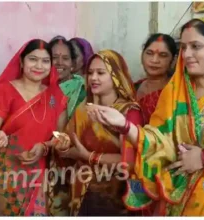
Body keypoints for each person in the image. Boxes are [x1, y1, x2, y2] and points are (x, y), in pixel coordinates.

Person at [91, 17, 204, 216]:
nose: (187, 54)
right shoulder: (174, 94)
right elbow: (158, 141)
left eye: (196, 46)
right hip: (176, 200)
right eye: (183, 47)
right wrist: (124, 125)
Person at [0, 39, 68, 216]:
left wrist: (45, 146)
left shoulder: (55, 96)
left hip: (43, 178)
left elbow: (61, 136)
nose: (39, 65)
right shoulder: (5, 90)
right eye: (33, 59)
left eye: (45, 61)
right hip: (9, 177)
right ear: (22, 62)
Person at [48, 49, 144, 216]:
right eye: (90, 73)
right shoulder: (83, 110)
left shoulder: (128, 112)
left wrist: (88, 156)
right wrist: (62, 147)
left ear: (115, 76)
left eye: (101, 73)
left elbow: (129, 162)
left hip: (115, 195)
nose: (93, 78)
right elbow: (67, 147)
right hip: (82, 191)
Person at [135, 34, 177, 124]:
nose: (154, 60)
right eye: (149, 53)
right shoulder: (134, 87)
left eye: (163, 55)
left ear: (173, 60)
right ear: (142, 56)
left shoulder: (175, 91)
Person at [49, 37, 86, 118]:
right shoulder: (41, 87)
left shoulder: (81, 89)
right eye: (54, 57)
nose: (60, 62)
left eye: (65, 58)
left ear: (72, 64)